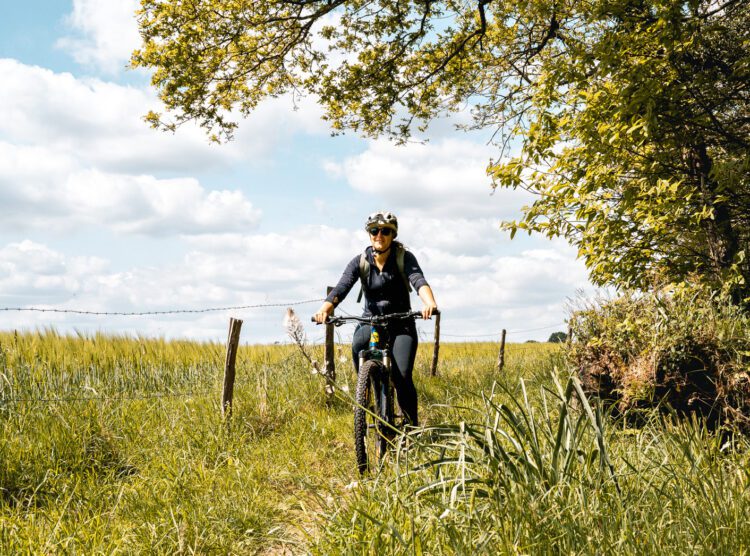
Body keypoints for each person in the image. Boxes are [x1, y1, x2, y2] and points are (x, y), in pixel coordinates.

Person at [313, 211, 438, 427]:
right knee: (358, 344)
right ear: (369, 234)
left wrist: (429, 303)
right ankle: (365, 390)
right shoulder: (360, 261)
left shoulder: (403, 257)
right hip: (371, 321)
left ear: (393, 235)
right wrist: (324, 309)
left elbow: (418, 280)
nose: (379, 235)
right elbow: (342, 287)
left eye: (385, 231)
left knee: (402, 376)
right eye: (374, 231)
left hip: (401, 323)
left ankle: (411, 430)